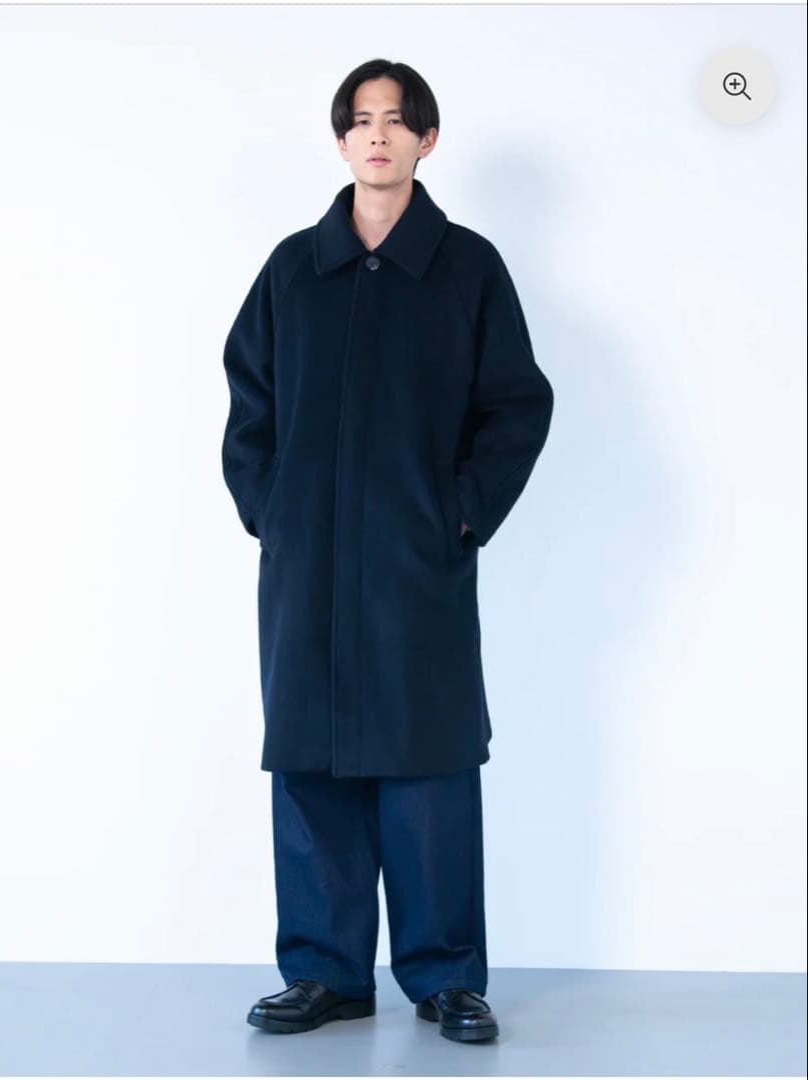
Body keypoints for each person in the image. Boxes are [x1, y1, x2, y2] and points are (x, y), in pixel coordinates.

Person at [221, 58, 554, 1042]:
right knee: (312, 765)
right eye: (361, 119)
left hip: (417, 565)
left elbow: (516, 405)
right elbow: (249, 404)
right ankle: (323, 972)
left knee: (429, 767)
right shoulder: (294, 270)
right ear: (341, 141)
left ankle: (445, 977)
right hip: (308, 567)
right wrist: (273, 510)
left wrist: (460, 514)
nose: (378, 133)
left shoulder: (466, 268)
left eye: (398, 119)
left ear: (426, 140)